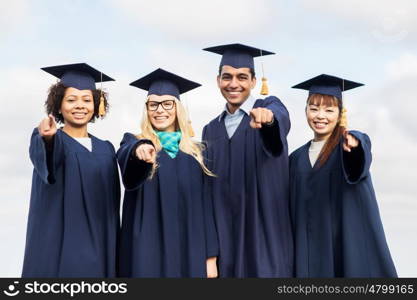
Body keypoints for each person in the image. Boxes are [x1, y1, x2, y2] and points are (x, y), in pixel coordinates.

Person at [290, 74, 397, 277]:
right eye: (314, 109)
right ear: (305, 111)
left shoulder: (346, 147)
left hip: (343, 248)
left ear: (340, 114)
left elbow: (359, 158)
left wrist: (355, 146)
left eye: (329, 110)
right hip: (308, 253)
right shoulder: (295, 159)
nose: (320, 116)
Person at [202, 43, 293, 277]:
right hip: (225, 244)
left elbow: (278, 127)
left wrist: (269, 121)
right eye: (227, 77)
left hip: (263, 238)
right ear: (218, 80)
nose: (234, 84)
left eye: (242, 77)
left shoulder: (269, 108)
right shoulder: (210, 130)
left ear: (254, 81)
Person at [117, 68, 219, 278]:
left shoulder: (196, 154)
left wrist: (211, 258)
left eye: (167, 104)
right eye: (153, 104)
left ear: (178, 108)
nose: (159, 110)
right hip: (145, 249)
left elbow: (206, 209)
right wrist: (140, 151)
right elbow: (125, 157)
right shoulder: (134, 141)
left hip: (189, 248)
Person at [22, 63, 120, 277]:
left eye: (86, 100)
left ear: (96, 105)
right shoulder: (52, 139)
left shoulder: (106, 148)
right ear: (58, 105)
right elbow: (47, 159)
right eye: (71, 99)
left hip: (102, 246)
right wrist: (47, 139)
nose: (80, 106)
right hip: (62, 247)